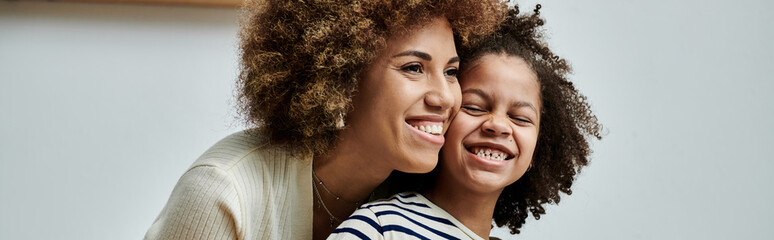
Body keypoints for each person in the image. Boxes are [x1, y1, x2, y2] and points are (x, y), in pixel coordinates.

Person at [144, 0, 508, 239]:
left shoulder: (411, 199)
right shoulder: (223, 192)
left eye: (451, 71)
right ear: (342, 76)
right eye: (414, 68)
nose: (445, 98)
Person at [329, 5, 602, 239]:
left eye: (519, 118)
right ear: (444, 121)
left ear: (537, 150)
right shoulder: (378, 227)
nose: (498, 125)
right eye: (474, 107)